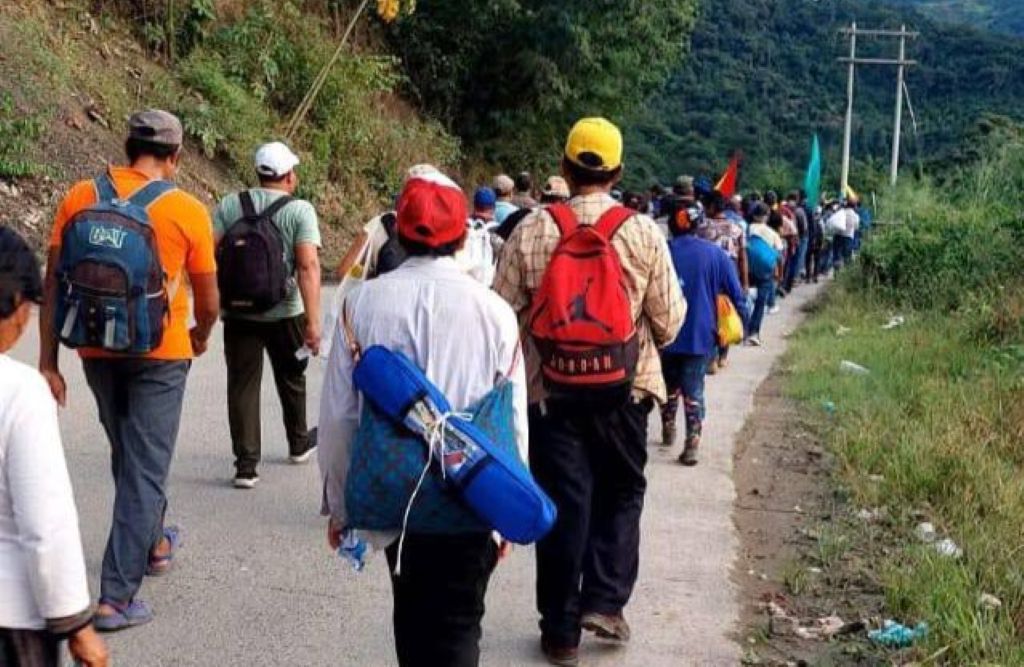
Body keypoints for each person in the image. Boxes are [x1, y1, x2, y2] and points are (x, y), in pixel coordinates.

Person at [318, 167, 527, 667]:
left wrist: (340, 505)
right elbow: (512, 418)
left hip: (396, 497)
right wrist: (505, 515)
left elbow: (340, 416)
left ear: (399, 233)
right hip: (474, 493)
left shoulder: (361, 305)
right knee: (460, 624)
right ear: (463, 237)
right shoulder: (496, 312)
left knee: (410, 618)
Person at [495, 117, 685, 666]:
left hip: (551, 392)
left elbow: (499, 312)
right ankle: (604, 601)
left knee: (563, 504)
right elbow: (670, 322)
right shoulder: (642, 232)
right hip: (626, 391)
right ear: (618, 172)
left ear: (564, 166)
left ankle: (560, 633)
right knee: (622, 491)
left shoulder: (532, 229)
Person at [39, 109, 219, 631]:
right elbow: (209, 300)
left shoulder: (79, 196)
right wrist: (201, 334)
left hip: (95, 347)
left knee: (132, 455)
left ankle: (155, 542)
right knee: (144, 465)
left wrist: (48, 361)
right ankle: (115, 599)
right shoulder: (187, 210)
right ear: (175, 157)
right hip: (161, 353)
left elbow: (53, 282)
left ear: (126, 146)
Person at [0, 228, 109, 667]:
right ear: (14, 302)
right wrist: (76, 624)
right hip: (10, 616)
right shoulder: (20, 391)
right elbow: (45, 521)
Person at [213, 141, 322, 489]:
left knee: (242, 384)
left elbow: (210, 253)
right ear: (288, 176)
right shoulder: (299, 210)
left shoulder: (231, 205)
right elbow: (307, 265)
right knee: (291, 376)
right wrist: (313, 321)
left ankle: (246, 466)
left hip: (238, 311)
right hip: (285, 312)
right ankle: (298, 442)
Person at [659, 197, 749, 465]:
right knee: (694, 389)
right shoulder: (716, 254)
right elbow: (736, 294)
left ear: (671, 224)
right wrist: (744, 322)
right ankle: (692, 443)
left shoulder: (662, 251)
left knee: (668, 385)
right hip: (700, 333)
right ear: (699, 224)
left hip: (665, 333)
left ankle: (668, 426)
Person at [697, 191, 748, 371]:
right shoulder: (737, 228)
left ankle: (711, 357)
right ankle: (723, 356)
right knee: (726, 314)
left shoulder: (702, 228)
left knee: (710, 314)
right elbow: (743, 256)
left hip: (709, 276)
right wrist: (744, 282)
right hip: (731, 275)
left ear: (711, 207)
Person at [745, 203, 785, 347]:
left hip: (746, 270)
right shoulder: (772, 233)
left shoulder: (747, 228)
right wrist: (780, 275)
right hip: (766, 272)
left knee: (743, 298)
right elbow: (780, 257)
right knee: (760, 303)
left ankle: (742, 327)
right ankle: (753, 333)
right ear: (766, 217)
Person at [457, 187, 499, 285]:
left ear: (475, 205)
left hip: (464, 282)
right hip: (488, 286)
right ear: (493, 208)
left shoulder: (462, 226)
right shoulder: (499, 230)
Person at [782, 191, 809, 293]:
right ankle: (788, 284)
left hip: (783, 239)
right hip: (795, 240)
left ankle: (783, 283)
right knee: (793, 262)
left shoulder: (782, 209)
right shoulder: (799, 211)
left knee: (785, 262)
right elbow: (804, 228)